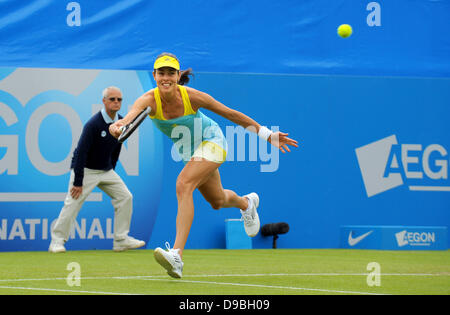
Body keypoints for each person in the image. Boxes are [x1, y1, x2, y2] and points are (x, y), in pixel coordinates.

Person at [109, 53, 298, 278]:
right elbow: (128, 118)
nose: (166, 78)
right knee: (217, 200)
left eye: (171, 73)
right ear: (155, 76)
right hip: (191, 152)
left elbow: (231, 114)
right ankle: (246, 203)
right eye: (161, 73)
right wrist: (118, 125)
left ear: (178, 76)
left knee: (183, 184)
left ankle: (176, 255)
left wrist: (267, 135)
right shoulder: (148, 100)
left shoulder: (193, 97)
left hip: (213, 141)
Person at [49, 86, 145, 253]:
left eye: (119, 99)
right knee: (72, 203)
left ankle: (121, 240)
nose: (116, 102)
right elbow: (81, 153)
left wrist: (111, 169)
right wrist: (78, 181)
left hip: (106, 171)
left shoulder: (122, 122)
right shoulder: (93, 124)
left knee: (126, 197)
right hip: (85, 170)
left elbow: (117, 148)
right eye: (112, 99)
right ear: (104, 101)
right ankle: (56, 242)